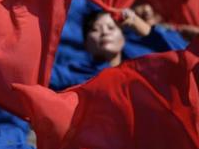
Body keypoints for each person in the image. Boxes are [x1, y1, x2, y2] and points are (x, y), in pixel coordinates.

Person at [50, 9, 187, 90]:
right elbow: (43, 76)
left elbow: (180, 55)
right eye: (95, 29)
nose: (104, 32)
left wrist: (136, 23)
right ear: (86, 44)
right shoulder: (79, 75)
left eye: (111, 28)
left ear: (123, 37)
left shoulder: (146, 64)